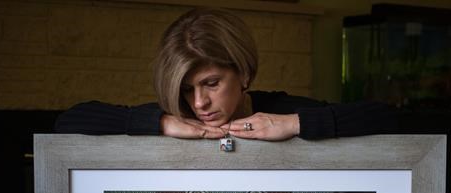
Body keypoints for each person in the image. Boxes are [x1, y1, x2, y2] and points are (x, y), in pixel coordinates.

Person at [54, 8, 396, 141]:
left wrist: (294, 124)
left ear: (243, 73)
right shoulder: (176, 115)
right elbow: (68, 121)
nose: (199, 103)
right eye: (187, 89)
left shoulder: (280, 109)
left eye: (211, 84)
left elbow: (391, 118)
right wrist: (162, 123)